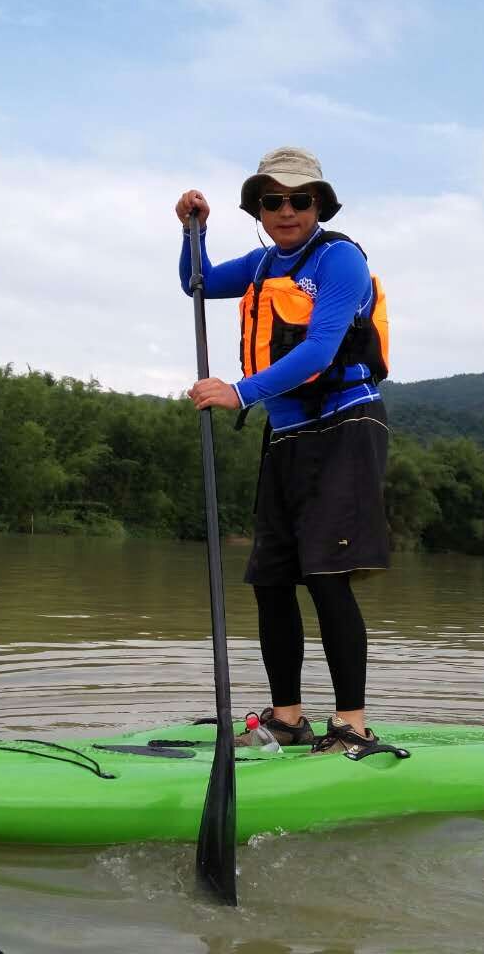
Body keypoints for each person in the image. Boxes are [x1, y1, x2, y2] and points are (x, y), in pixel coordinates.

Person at [175, 146, 391, 755]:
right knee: (271, 580)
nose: (287, 210)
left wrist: (239, 391)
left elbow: (320, 352)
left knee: (326, 576)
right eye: (274, 201)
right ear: (260, 209)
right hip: (289, 436)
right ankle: (289, 716)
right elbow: (197, 281)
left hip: (346, 427)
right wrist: (195, 229)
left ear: (319, 204)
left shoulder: (339, 259)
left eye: (300, 199)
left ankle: (352, 723)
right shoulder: (263, 261)